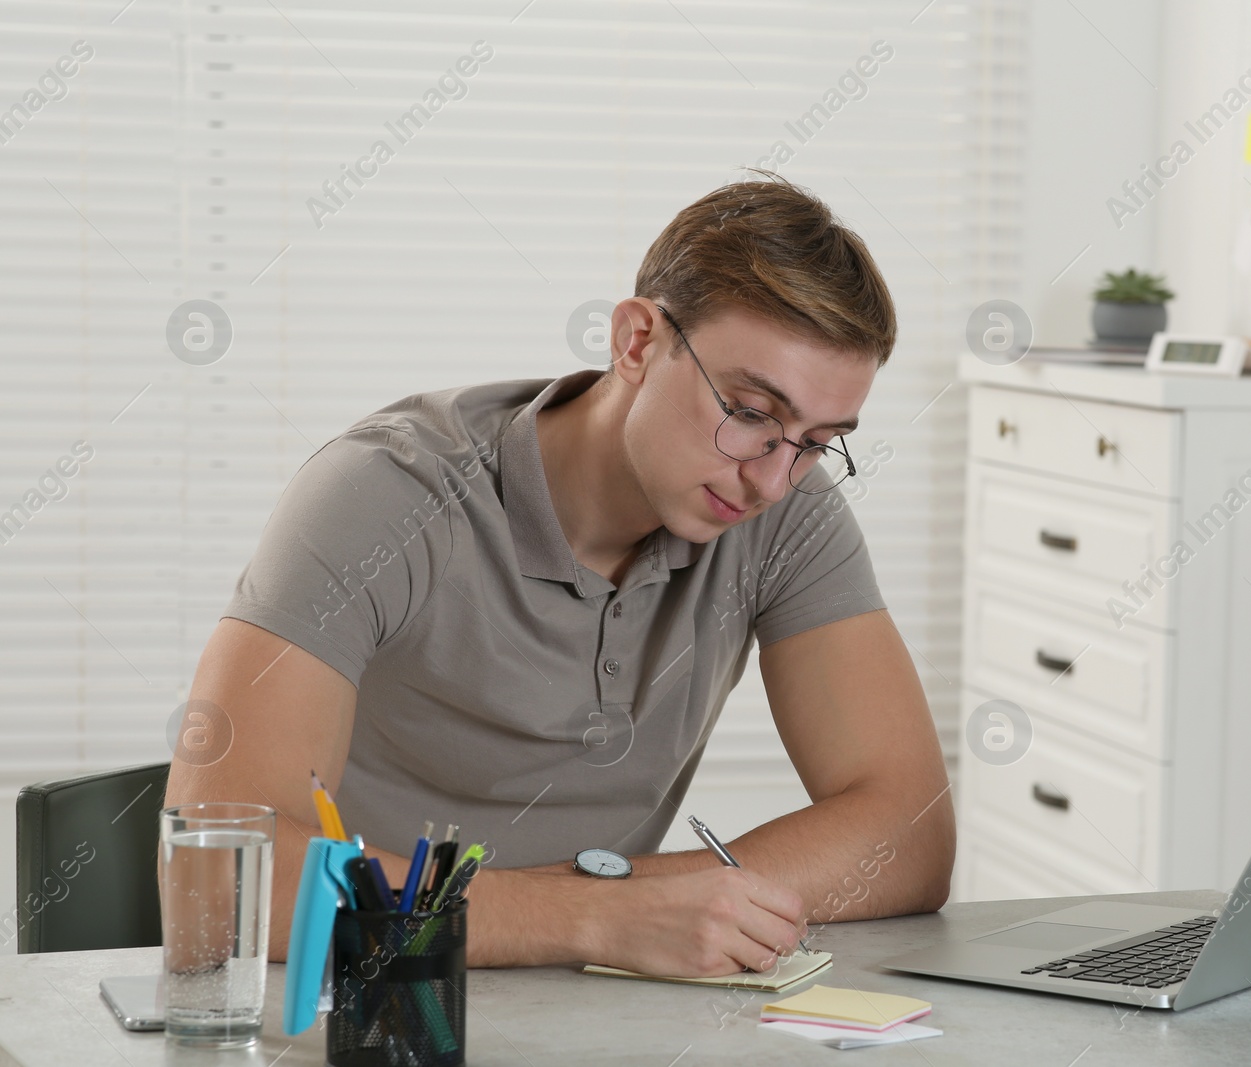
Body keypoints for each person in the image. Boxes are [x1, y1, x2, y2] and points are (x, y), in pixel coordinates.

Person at [164, 171, 955, 977]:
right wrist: (588, 913)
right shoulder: (384, 497)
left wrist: (614, 907)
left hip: (583, 1013)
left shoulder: (784, 512)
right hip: (358, 1004)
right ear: (636, 341)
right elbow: (223, 875)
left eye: (816, 440)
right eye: (750, 413)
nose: (774, 478)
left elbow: (910, 832)